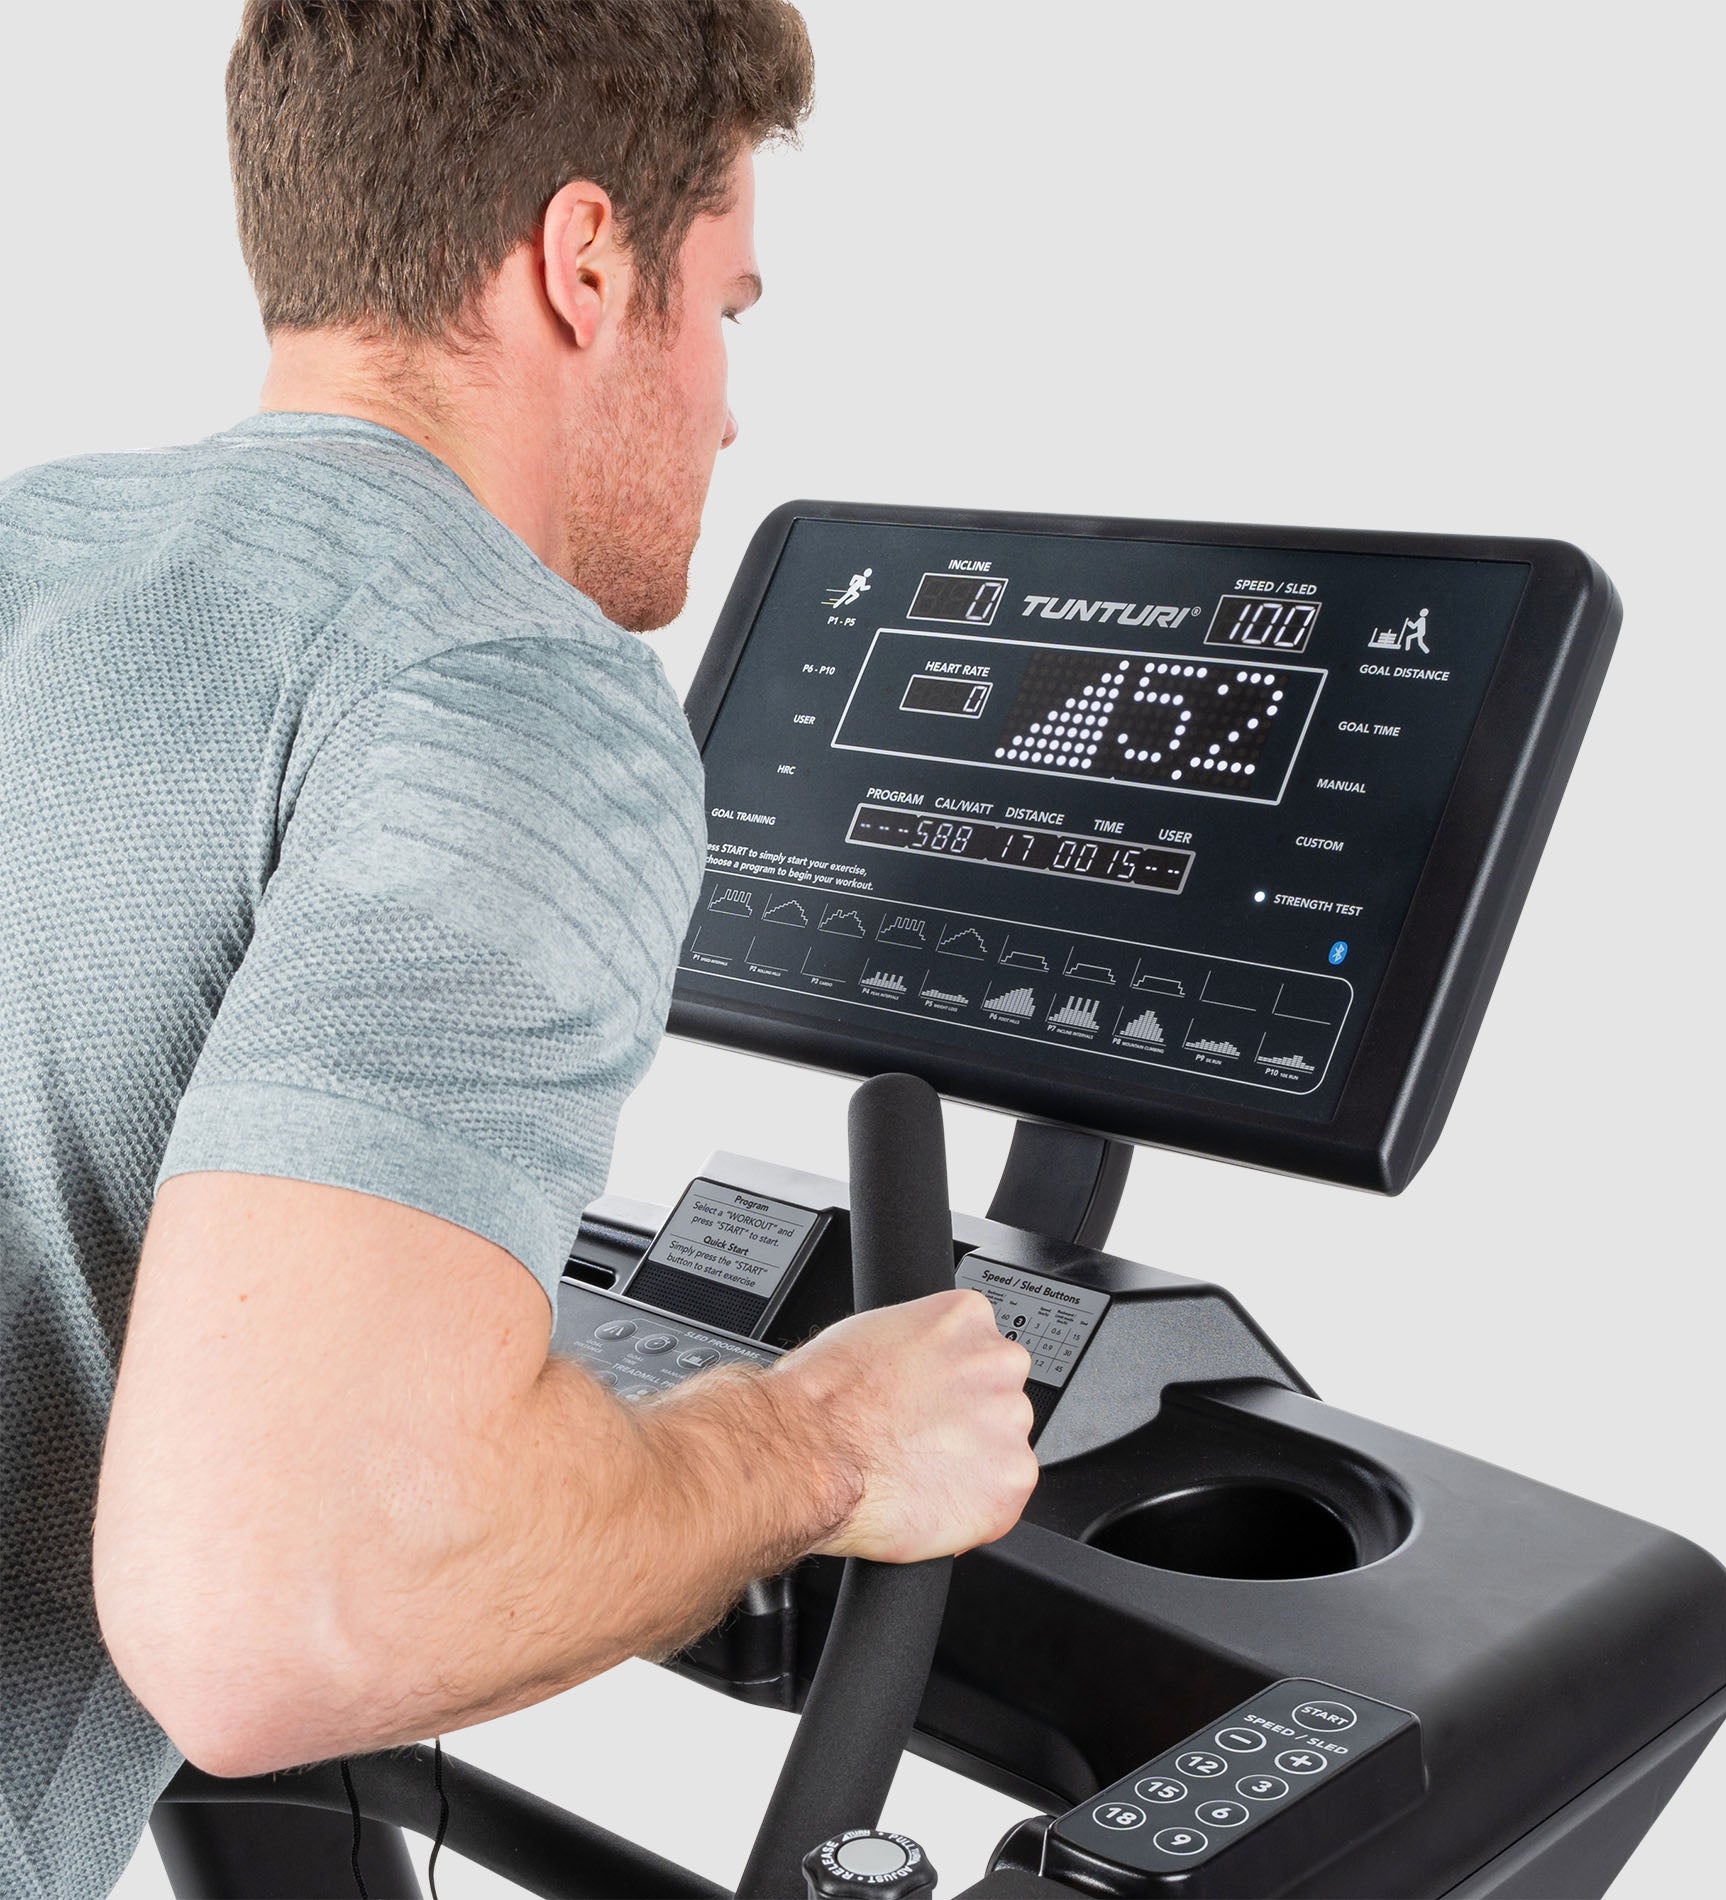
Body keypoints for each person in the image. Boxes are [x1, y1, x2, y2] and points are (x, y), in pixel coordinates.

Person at [0, 3, 1038, 1892]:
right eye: (725, 307)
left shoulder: (35, 543)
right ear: (585, 263)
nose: (728, 406)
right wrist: (814, 1440)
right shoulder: (502, 681)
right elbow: (283, 1608)